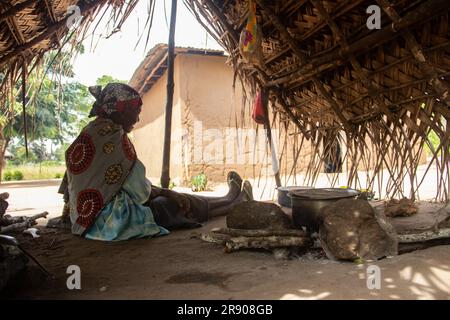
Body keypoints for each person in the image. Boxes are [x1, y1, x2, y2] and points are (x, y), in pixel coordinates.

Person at [58, 83, 252, 241]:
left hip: (86, 220)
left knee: (171, 197)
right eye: (136, 110)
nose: (138, 117)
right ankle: (233, 204)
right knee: (167, 203)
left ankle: (230, 199)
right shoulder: (113, 138)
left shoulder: (90, 132)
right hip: (109, 224)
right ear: (120, 111)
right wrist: (169, 193)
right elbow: (141, 192)